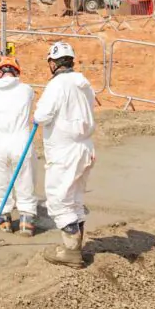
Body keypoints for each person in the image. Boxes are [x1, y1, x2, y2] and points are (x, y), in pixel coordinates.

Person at [34, 41, 97, 267]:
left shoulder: (57, 85)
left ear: (53, 63)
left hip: (65, 151)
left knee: (59, 200)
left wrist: (37, 115)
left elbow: (42, 116)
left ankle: (71, 253)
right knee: (75, 199)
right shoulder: (84, 83)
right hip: (85, 148)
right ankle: (76, 247)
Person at [0, 55, 41, 236]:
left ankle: (3, 218)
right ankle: (26, 220)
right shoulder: (26, 89)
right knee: (25, 179)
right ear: (16, 72)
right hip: (21, 141)